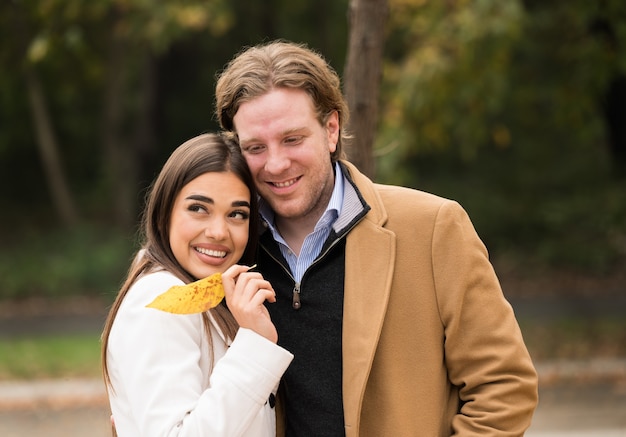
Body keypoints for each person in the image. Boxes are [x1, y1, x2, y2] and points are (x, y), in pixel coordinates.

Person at [214, 40, 539, 436]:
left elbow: (505, 387)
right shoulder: (228, 251)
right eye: (255, 148)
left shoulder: (433, 227)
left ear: (331, 129)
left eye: (292, 139)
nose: (276, 163)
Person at [101, 133, 293, 436]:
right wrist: (255, 344)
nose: (218, 231)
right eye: (198, 208)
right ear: (164, 213)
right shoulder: (160, 301)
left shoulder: (214, 297)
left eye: (237, 214)